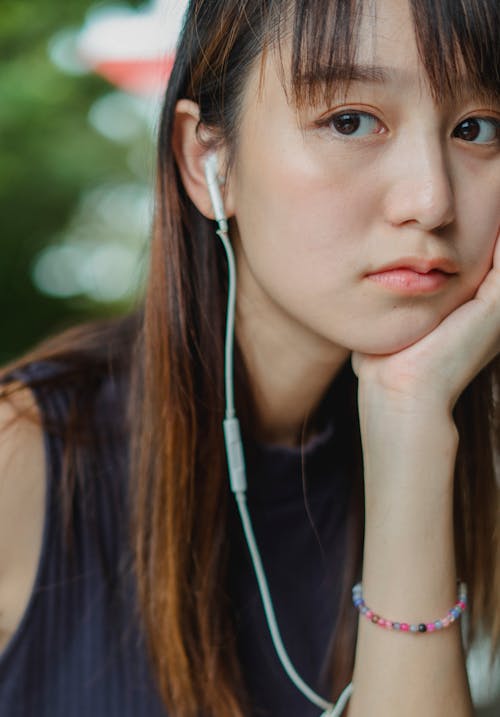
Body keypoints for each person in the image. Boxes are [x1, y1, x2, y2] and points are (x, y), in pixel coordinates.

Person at [0, 0, 498, 715]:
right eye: (351, 120)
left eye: (476, 128)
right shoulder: (26, 458)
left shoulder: (431, 443)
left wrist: (410, 418)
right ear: (208, 159)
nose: (431, 199)